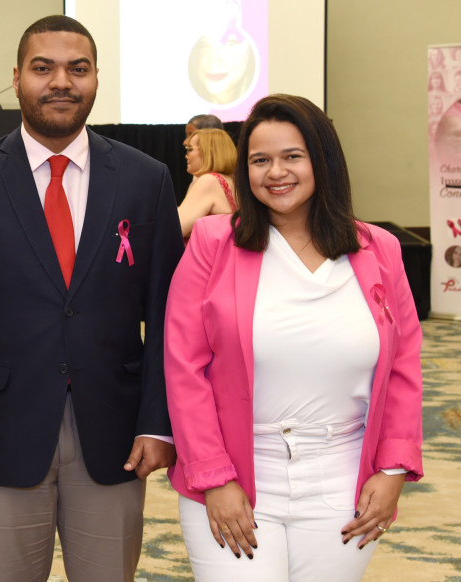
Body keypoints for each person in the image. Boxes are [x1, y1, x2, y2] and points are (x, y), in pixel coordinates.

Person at [0, 14, 183, 582]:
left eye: (77, 69)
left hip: (114, 435)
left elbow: (167, 315)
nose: (61, 81)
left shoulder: (146, 179)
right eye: (44, 68)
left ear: (95, 80)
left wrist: (159, 422)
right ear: (17, 78)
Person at [164, 94, 423, 581]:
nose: (275, 172)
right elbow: (183, 366)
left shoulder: (379, 248)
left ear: (322, 161)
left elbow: (405, 363)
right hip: (236, 475)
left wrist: (391, 473)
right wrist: (213, 477)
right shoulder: (214, 242)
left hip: (344, 480)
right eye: (260, 160)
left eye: (292, 157)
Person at [178, 128, 237, 238]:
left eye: (189, 149)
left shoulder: (209, 181)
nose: (186, 155)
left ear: (208, 151)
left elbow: (176, 228)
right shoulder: (231, 180)